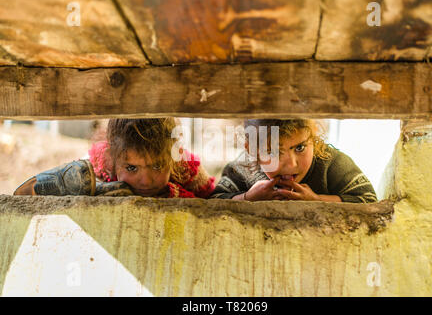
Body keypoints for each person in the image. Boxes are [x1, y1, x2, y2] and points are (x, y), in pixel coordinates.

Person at [14, 118, 215, 198]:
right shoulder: (98, 163)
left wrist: (176, 196)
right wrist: (98, 191)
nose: (145, 181)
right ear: (113, 159)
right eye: (132, 168)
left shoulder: (186, 166)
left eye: (157, 166)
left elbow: (215, 200)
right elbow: (23, 194)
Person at [210, 119, 377, 203]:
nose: (290, 165)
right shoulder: (244, 168)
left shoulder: (331, 163)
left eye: (300, 148)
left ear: (314, 136)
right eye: (272, 152)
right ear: (252, 150)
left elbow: (368, 199)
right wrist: (247, 198)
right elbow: (213, 201)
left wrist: (318, 200)